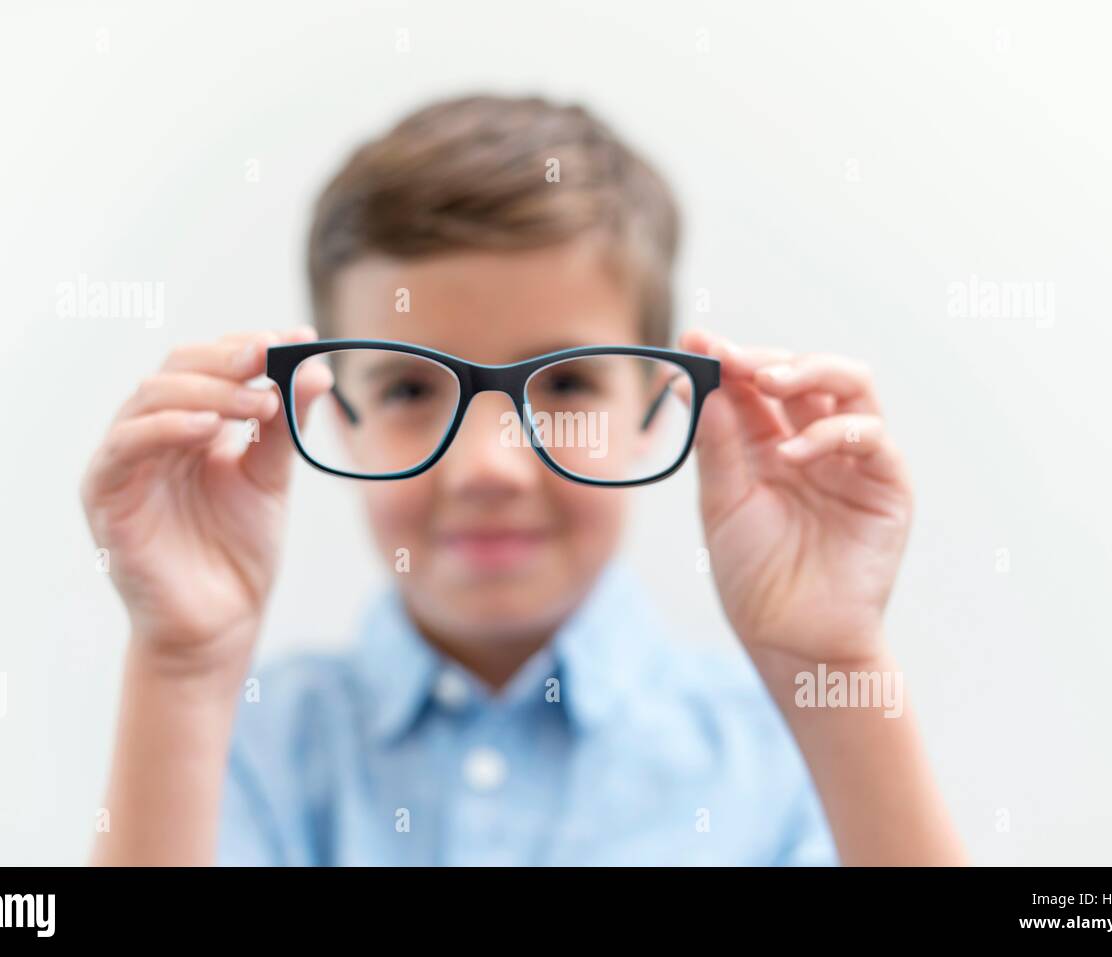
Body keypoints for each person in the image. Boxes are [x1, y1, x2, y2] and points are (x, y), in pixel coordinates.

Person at [81, 94, 965, 866]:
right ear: (332, 410)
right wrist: (182, 667)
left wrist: (833, 662)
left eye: (568, 383)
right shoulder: (235, 746)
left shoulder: (789, 748)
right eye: (410, 388)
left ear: (660, 407)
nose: (488, 468)